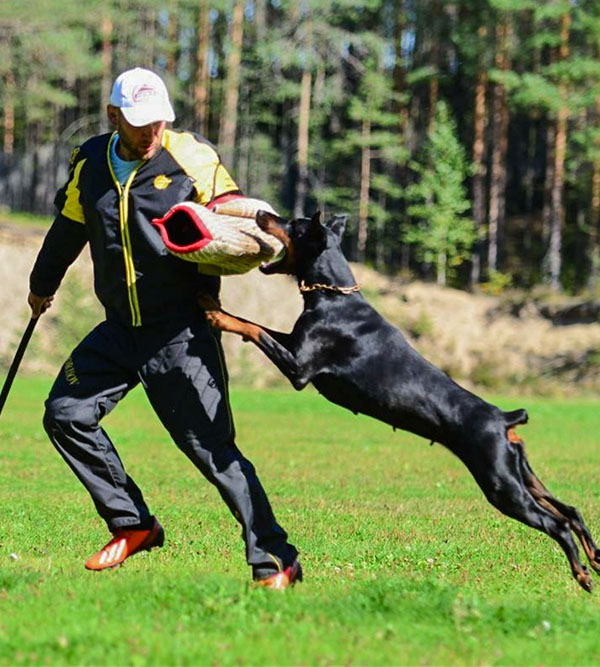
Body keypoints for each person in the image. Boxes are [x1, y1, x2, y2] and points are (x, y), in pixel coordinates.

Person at [27, 67, 301, 589]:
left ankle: (275, 557)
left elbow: (235, 219)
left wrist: (273, 240)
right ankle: (133, 524)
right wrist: (42, 284)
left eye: (158, 122)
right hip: (118, 329)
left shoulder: (191, 157)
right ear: (114, 118)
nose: (151, 132)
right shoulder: (90, 161)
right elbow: (69, 227)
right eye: (138, 123)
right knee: (65, 413)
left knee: (212, 450)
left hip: (181, 332)